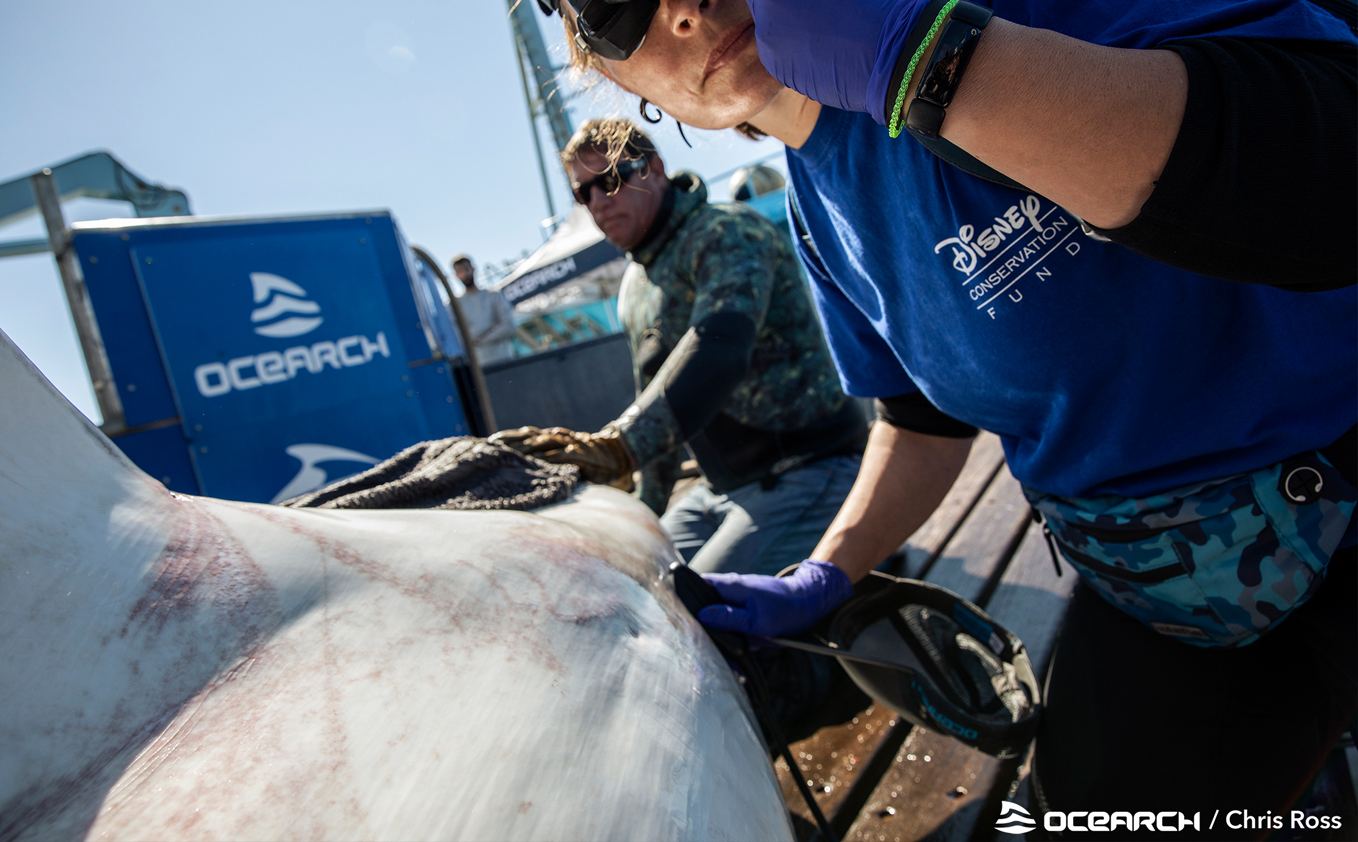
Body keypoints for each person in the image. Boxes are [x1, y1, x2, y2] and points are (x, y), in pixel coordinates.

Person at [544, 0, 1358, 827]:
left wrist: (937, 64)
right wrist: (826, 574)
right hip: (1160, 592)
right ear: (617, 78)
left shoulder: (997, 18)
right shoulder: (815, 218)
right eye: (617, 7)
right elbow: (919, 423)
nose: (684, 9)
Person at [491, 118, 874, 741]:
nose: (598, 201)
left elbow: (719, 347)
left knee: (693, 630)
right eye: (582, 192)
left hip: (811, 469)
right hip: (724, 490)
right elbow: (657, 400)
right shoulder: (634, 286)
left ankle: (844, 689)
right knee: (625, 591)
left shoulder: (728, 231)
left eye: (610, 179)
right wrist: (642, 514)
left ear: (656, 170)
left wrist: (615, 446)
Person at [450, 255, 518, 366]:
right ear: (456, 275)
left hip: (505, 360)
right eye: (460, 271)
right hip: (477, 368)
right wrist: (493, 327)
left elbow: (509, 326)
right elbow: (457, 336)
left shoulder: (494, 296)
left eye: (466, 269)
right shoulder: (454, 305)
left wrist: (480, 339)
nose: (465, 274)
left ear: (473, 269)